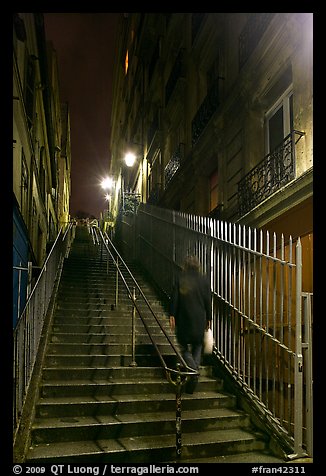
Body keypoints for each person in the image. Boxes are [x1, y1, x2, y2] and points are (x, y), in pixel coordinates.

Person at [169, 255, 212, 393]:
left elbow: (175, 298)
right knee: (197, 346)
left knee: (184, 347)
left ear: (185, 266)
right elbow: (207, 300)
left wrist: (172, 314)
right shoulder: (203, 280)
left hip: (184, 319)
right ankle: (193, 379)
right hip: (199, 319)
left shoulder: (181, 279)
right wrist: (209, 318)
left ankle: (193, 371)